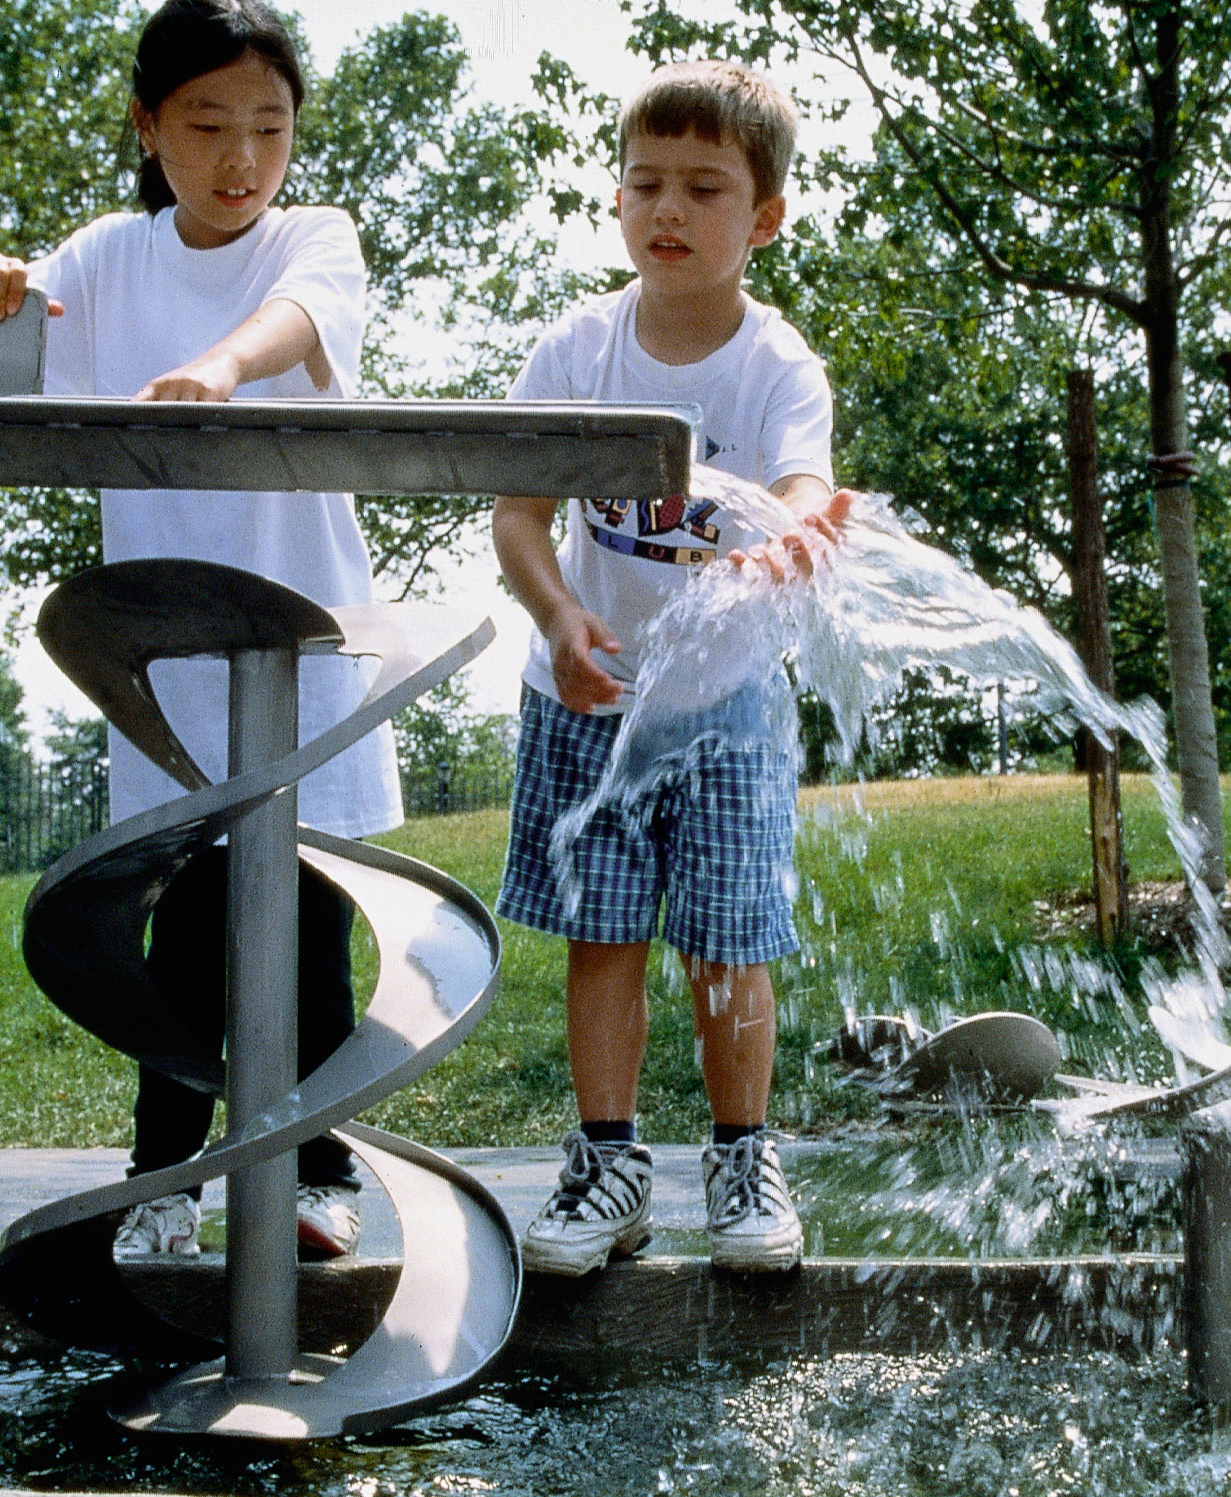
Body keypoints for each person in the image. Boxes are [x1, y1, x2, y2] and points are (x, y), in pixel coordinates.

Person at [0, 0, 399, 1262]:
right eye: (207, 124)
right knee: (183, 925)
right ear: (149, 126)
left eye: (270, 125)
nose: (241, 156)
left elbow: (300, 322)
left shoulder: (315, 239)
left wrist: (221, 367)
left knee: (308, 916)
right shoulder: (105, 258)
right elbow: (21, 316)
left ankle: (320, 1172)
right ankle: (163, 1176)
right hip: (160, 665)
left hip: (300, 640)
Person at [492, 60, 854, 1277]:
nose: (669, 209)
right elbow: (518, 515)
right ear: (616, 200)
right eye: (646, 183)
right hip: (584, 689)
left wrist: (794, 537)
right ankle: (607, 1165)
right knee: (603, 938)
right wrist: (556, 619)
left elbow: (801, 483)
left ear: (763, 220)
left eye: (705, 189)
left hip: (726, 698)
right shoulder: (580, 348)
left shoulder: (773, 366)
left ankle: (743, 1164)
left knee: (726, 940)